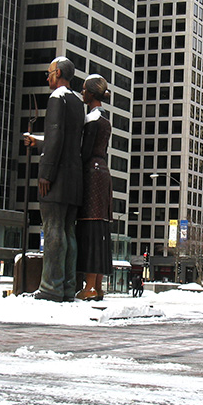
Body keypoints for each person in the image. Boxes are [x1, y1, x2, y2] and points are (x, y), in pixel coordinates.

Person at [24, 57, 84, 302]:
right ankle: (68, 287)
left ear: (58, 73)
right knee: (68, 231)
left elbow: (56, 136)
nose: (47, 77)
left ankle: (50, 288)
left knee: (53, 230)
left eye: (49, 73)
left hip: (56, 178)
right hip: (74, 178)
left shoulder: (56, 99)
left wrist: (46, 173)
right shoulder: (77, 102)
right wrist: (38, 141)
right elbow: (66, 140)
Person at [75, 75, 113, 301]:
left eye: (84, 90)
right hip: (104, 173)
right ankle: (97, 285)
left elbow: (85, 153)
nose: (82, 93)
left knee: (89, 229)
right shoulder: (105, 119)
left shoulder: (92, 119)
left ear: (91, 93)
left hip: (91, 175)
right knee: (100, 230)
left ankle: (89, 286)